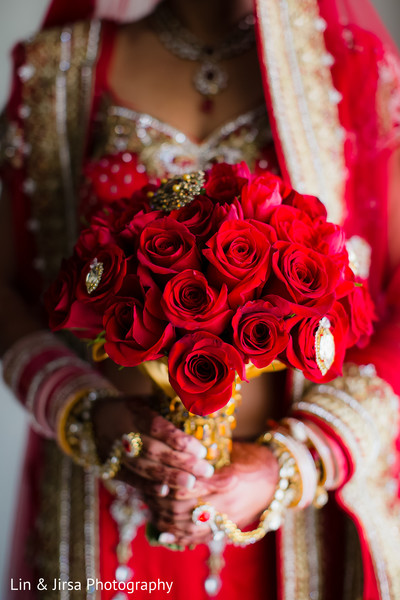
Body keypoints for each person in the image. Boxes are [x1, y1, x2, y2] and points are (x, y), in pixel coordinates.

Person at [1, 0, 400, 598]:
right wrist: (89, 418)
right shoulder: (58, 68)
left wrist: (291, 465)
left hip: (294, 515)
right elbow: (7, 290)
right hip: (105, 497)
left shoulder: (349, 69)